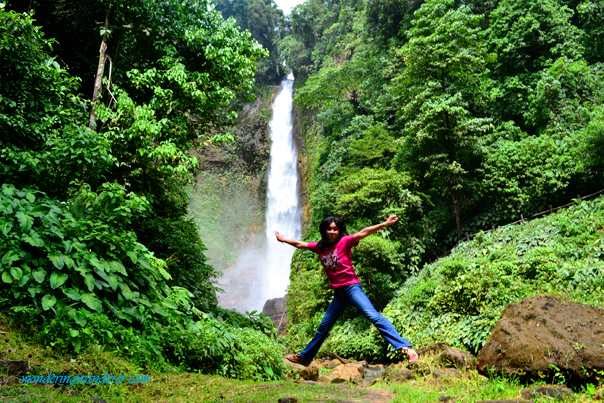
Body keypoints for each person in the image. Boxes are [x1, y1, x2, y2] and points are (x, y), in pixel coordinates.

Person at [275, 215, 418, 367]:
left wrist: (384, 223)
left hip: (352, 288)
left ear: (340, 230)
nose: (332, 232)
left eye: (335, 229)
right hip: (339, 294)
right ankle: (304, 357)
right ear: (324, 230)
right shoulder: (320, 247)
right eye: (329, 229)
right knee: (323, 327)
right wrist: (283, 240)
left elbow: (363, 233)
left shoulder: (345, 241)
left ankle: (405, 348)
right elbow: (300, 244)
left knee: (373, 316)